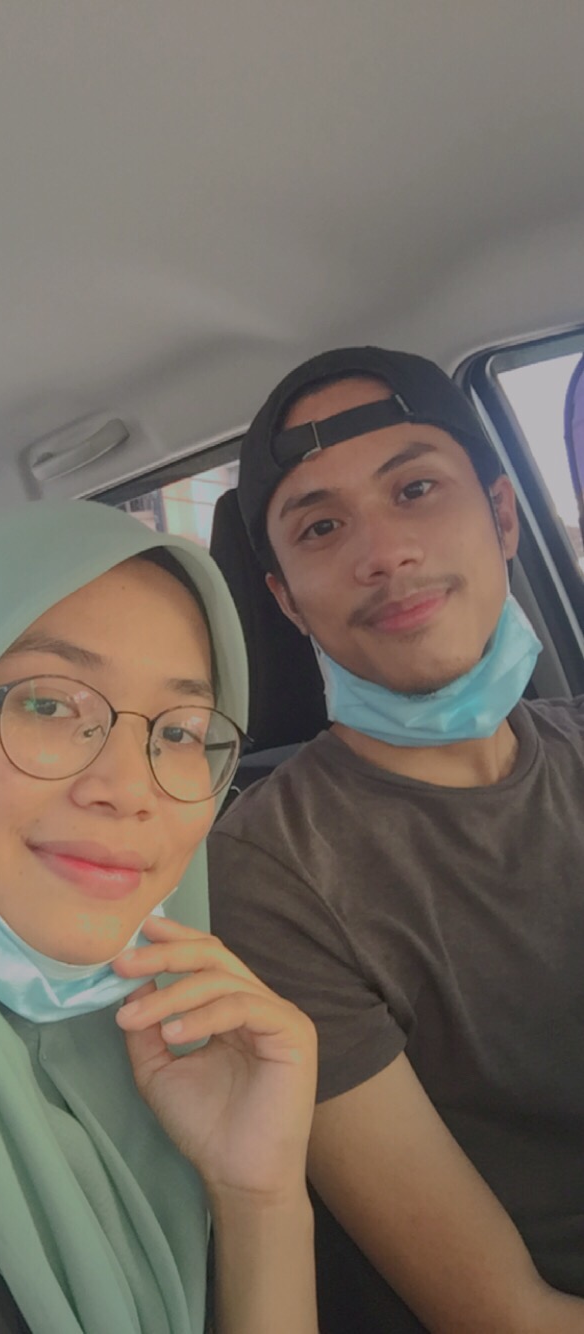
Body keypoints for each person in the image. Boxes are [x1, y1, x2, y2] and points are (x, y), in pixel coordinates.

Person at [0, 498, 318, 1334]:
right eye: (49, 705)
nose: (129, 789)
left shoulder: (175, 1059)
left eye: (181, 731)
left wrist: (260, 1197)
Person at [208, 347, 584, 1333]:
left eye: (415, 489)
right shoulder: (271, 873)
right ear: (286, 599)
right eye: (321, 526)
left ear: (504, 515)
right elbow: (507, 1315)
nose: (383, 553)